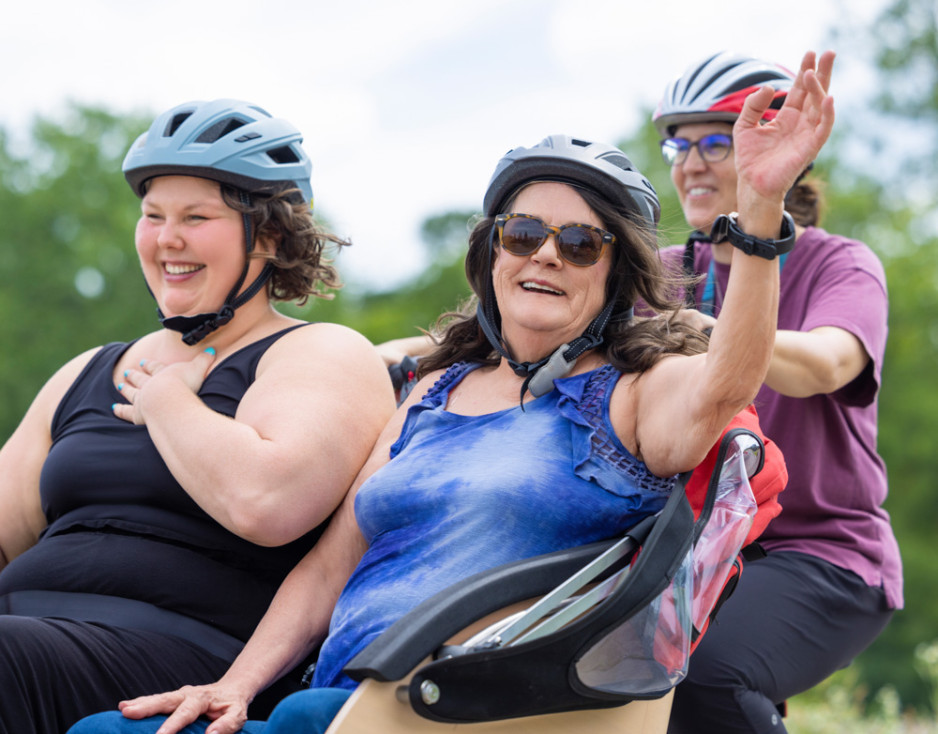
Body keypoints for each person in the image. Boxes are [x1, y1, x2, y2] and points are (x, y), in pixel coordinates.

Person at [69, 50, 834, 734]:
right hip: (334, 705)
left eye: (579, 244)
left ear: (616, 274)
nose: (546, 255)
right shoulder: (434, 391)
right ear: (492, 253)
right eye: (523, 234)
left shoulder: (636, 396)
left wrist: (759, 215)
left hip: (470, 713)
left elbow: (729, 377)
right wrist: (233, 686)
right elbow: (329, 569)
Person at [0, 99, 396, 734]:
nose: (167, 239)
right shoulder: (86, 371)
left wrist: (166, 402)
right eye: (153, 216)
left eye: (196, 217)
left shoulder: (318, 353)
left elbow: (265, 502)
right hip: (23, 633)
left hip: (180, 660)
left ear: (269, 236)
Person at [650, 52, 902, 733]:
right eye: (678, 145)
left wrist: (711, 331)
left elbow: (826, 364)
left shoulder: (837, 262)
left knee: (700, 672)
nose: (690, 164)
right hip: (691, 551)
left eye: (715, 142)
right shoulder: (663, 273)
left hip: (821, 551)